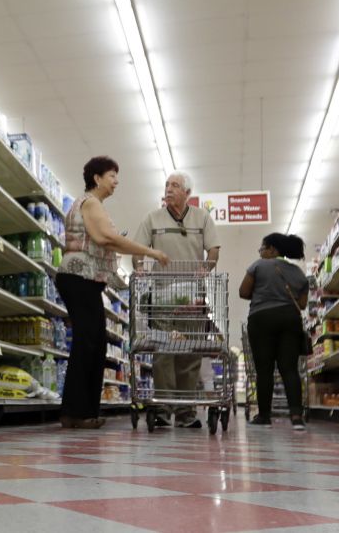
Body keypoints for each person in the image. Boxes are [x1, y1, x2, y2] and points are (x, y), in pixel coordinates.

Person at [57, 156, 169, 429]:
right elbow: (106, 238)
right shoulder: (91, 202)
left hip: (83, 280)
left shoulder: (91, 204)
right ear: (97, 178)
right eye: (112, 175)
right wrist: (150, 251)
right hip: (78, 278)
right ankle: (77, 413)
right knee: (88, 343)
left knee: (93, 342)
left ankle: (82, 411)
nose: (116, 181)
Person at [131, 171, 218, 428]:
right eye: (167, 185)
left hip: (192, 297)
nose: (169, 189)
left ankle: (186, 413)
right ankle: (162, 408)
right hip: (161, 297)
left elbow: (213, 248)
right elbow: (139, 248)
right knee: (163, 352)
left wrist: (207, 266)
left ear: (187, 193)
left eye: (175, 186)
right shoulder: (152, 218)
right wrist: (138, 265)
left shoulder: (202, 217)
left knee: (190, 354)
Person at [238, 232, 310, 431]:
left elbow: (243, 292)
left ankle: (264, 416)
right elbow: (302, 304)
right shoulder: (298, 273)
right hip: (289, 319)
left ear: (272, 250)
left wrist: (265, 291)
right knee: (289, 369)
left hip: (262, 319)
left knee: (264, 370)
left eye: (262, 248)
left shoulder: (258, 266)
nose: (260, 252)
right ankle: (296, 416)